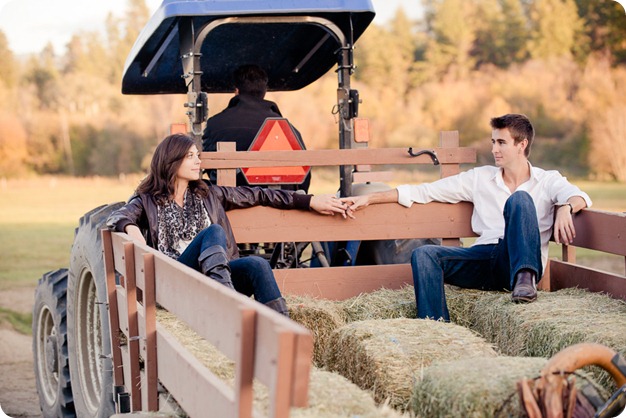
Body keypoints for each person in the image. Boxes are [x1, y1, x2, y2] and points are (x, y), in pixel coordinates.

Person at [341, 114, 592, 321]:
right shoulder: (479, 178)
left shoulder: (547, 180)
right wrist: (370, 198)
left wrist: (565, 208)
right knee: (425, 254)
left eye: (501, 143)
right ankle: (436, 326)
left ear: (521, 144)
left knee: (520, 200)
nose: (494, 149)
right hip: (483, 259)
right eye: (493, 142)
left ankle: (525, 281)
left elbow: (579, 196)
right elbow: (424, 191)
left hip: (517, 260)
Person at [106, 133, 347, 316]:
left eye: (198, 156)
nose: (198, 161)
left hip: (213, 277)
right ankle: (228, 303)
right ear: (171, 161)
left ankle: (282, 330)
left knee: (257, 264)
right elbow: (118, 216)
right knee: (214, 231)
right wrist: (132, 228)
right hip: (174, 280)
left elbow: (260, 195)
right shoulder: (147, 200)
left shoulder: (209, 193)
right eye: (190, 156)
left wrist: (309, 201)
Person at [202, 64, 311, 192]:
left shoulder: (215, 124)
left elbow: (209, 167)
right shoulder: (287, 128)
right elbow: (304, 176)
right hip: (282, 202)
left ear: (236, 91)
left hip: (234, 201)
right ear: (264, 92)